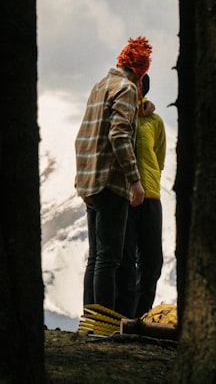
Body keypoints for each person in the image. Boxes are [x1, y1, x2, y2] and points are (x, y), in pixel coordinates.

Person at [75, 36, 149, 314]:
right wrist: (134, 179)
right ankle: (103, 326)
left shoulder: (99, 86)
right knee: (109, 258)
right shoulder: (126, 88)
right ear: (139, 72)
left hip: (91, 180)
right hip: (111, 180)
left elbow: (84, 134)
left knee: (96, 257)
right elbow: (119, 135)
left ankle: (90, 322)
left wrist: (81, 181)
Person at [115, 73, 166, 319]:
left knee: (153, 261)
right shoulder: (120, 116)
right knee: (126, 262)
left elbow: (159, 159)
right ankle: (124, 317)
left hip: (152, 196)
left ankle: (142, 316)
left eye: (140, 84)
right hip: (125, 195)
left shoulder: (154, 121)